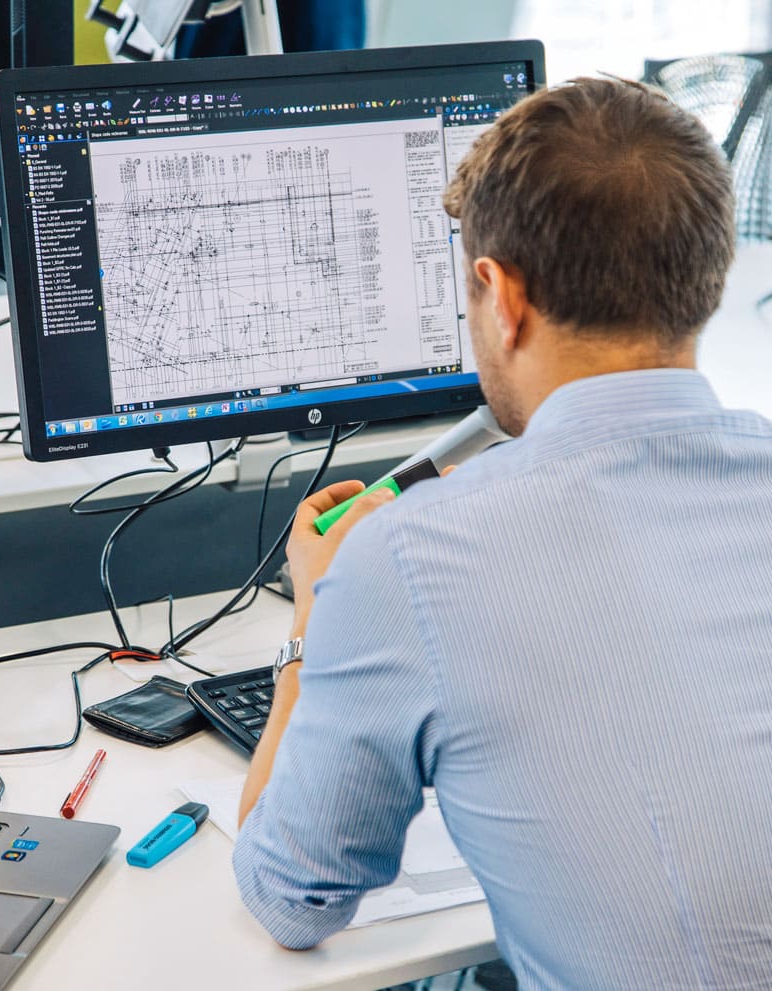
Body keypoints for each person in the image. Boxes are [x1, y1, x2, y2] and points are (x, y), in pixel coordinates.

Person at [233, 77, 772, 988]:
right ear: (707, 278)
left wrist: (315, 620)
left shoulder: (413, 558)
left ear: (500, 292)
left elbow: (289, 897)